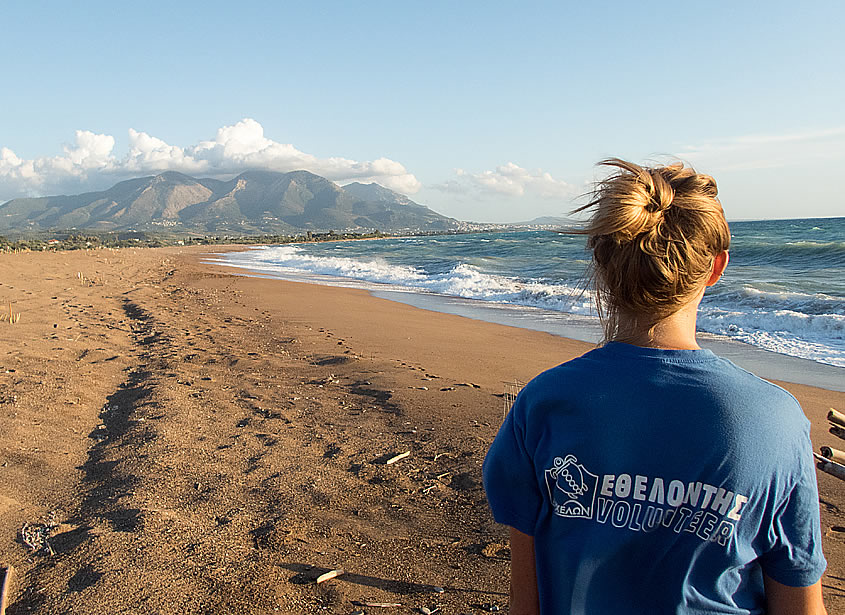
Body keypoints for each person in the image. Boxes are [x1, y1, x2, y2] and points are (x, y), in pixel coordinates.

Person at [482, 159, 827, 614]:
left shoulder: (544, 403)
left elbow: (526, 600)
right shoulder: (775, 419)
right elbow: (798, 603)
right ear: (716, 267)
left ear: (601, 262)